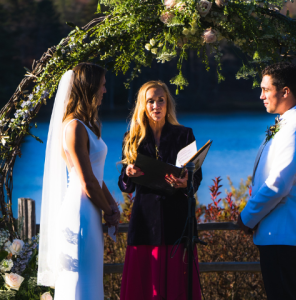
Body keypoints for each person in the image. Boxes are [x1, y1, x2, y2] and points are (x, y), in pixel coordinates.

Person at [237, 62, 296, 300]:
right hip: (280, 232)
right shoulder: (290, 122)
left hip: (284, 232)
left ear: (285, 91)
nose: (260, 95)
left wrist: (247, 217)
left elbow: (278, 185)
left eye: (266, 89)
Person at [37, 63, 120, 299]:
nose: (105, 91)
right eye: (102, 86)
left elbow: (96, 177)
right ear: (89, 87)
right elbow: (87, 182)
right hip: (81, 212)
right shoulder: (74, 127)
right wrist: (109, 211)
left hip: (90, 209)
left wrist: (112, 204)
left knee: (89, 278)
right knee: (78, 281)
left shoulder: (87, 125)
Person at [118, 80, 202, 300]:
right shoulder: (132, 139)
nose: (156, 105)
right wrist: (128, 174)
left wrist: (188, 183)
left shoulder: (184, 135)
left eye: (161, 100)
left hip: (177, 221)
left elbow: (197, 176)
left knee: (178, 286)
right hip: (145, 222)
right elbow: (125, 186)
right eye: (151, 101)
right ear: (143, 106)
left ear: (168, 104)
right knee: (145, 287)